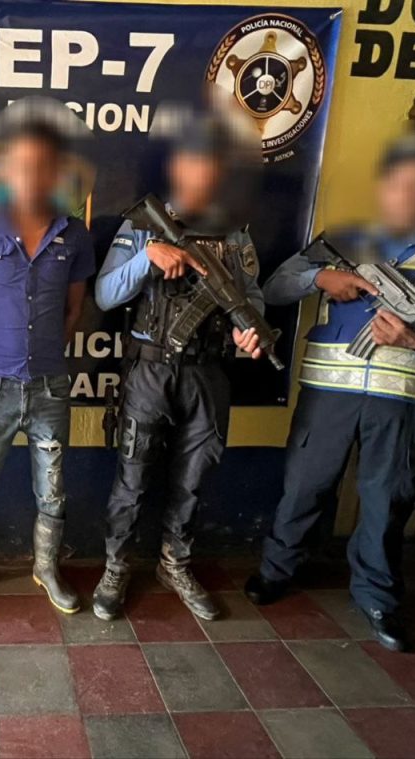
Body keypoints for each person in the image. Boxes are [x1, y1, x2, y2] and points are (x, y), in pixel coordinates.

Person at [244, 126, 415, 651]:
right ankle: (277, 570)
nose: (409, 194)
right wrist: (321, 280)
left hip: (405, 397)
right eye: (399, 181)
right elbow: (275, 287)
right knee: (304, 486)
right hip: (328, 390)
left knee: (388, 500)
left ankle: (377, 598)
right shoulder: (346, 238)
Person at [90, 117, 265, 622]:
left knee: (193, 479)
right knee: (132, 477)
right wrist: (148, 257)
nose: (202, 173)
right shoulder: (143, 226)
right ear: (178, 168)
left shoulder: (235, 235)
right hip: (149, 371)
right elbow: (105, 295)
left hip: (207, 373)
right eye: (193, 162)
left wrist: (249, 332)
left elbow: (251, 300)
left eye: (211, 165)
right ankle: (116, 566)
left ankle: (175, 563)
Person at [0, 121, 96, 614]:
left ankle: (46, 568)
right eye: (23, 166)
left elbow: (74, 310)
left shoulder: (73, 234)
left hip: (50, 387)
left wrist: (45, 351)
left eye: (43, 166)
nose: (32, 175)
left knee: (53, 490)